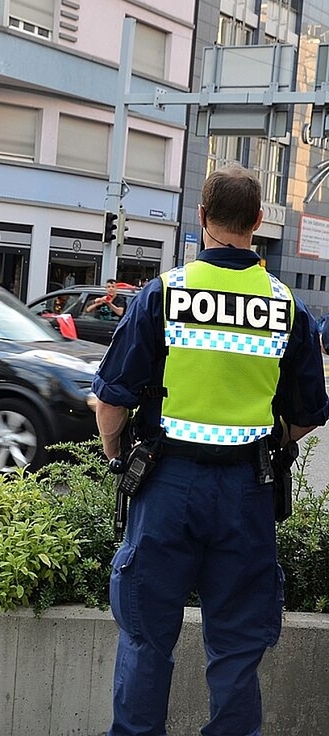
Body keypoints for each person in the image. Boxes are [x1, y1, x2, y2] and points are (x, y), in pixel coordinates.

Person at [92, 164, 329, 736]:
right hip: (247, 494)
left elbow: (110, 402)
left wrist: (117, 454)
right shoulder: (285, 306)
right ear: (258, 223)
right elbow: (307, 413)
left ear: (202, 218)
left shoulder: (164, 294)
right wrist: (265, 441)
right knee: (237, 648)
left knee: (147, 638)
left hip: (166, 485)